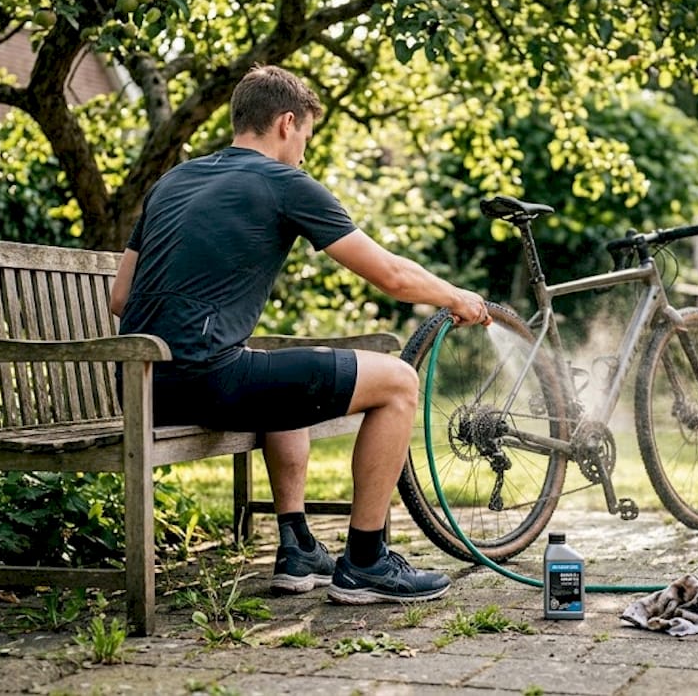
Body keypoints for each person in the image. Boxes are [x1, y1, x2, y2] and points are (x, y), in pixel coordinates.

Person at [109, 65, 491, 605]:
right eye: (305, 137)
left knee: (274, 374)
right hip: (206, 382)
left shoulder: (172, 180)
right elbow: (391, 276)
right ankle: (365, 561)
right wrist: (457, 297)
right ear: (286, 123)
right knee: (399, 381)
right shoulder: (284, 183)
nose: (304, 153)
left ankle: (297, 545)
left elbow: (120, 299)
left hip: (147, 388)